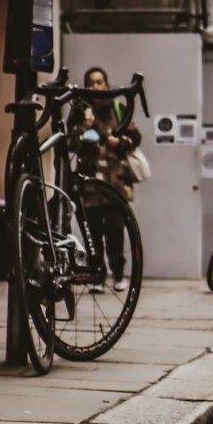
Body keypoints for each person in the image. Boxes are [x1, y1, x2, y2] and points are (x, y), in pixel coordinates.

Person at [70, 66, 143, 291]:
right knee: (92, 232)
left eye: (100, 82)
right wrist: (83, 128)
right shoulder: (80, 111)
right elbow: (70, 143)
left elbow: (135, 136)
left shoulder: (118, 109)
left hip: (115, 183)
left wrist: (120, 142)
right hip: (90, 184)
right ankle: (97, 275)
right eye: (91, 82)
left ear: (107, 84)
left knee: (114, 229)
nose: (96, 86)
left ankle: (118, 273)